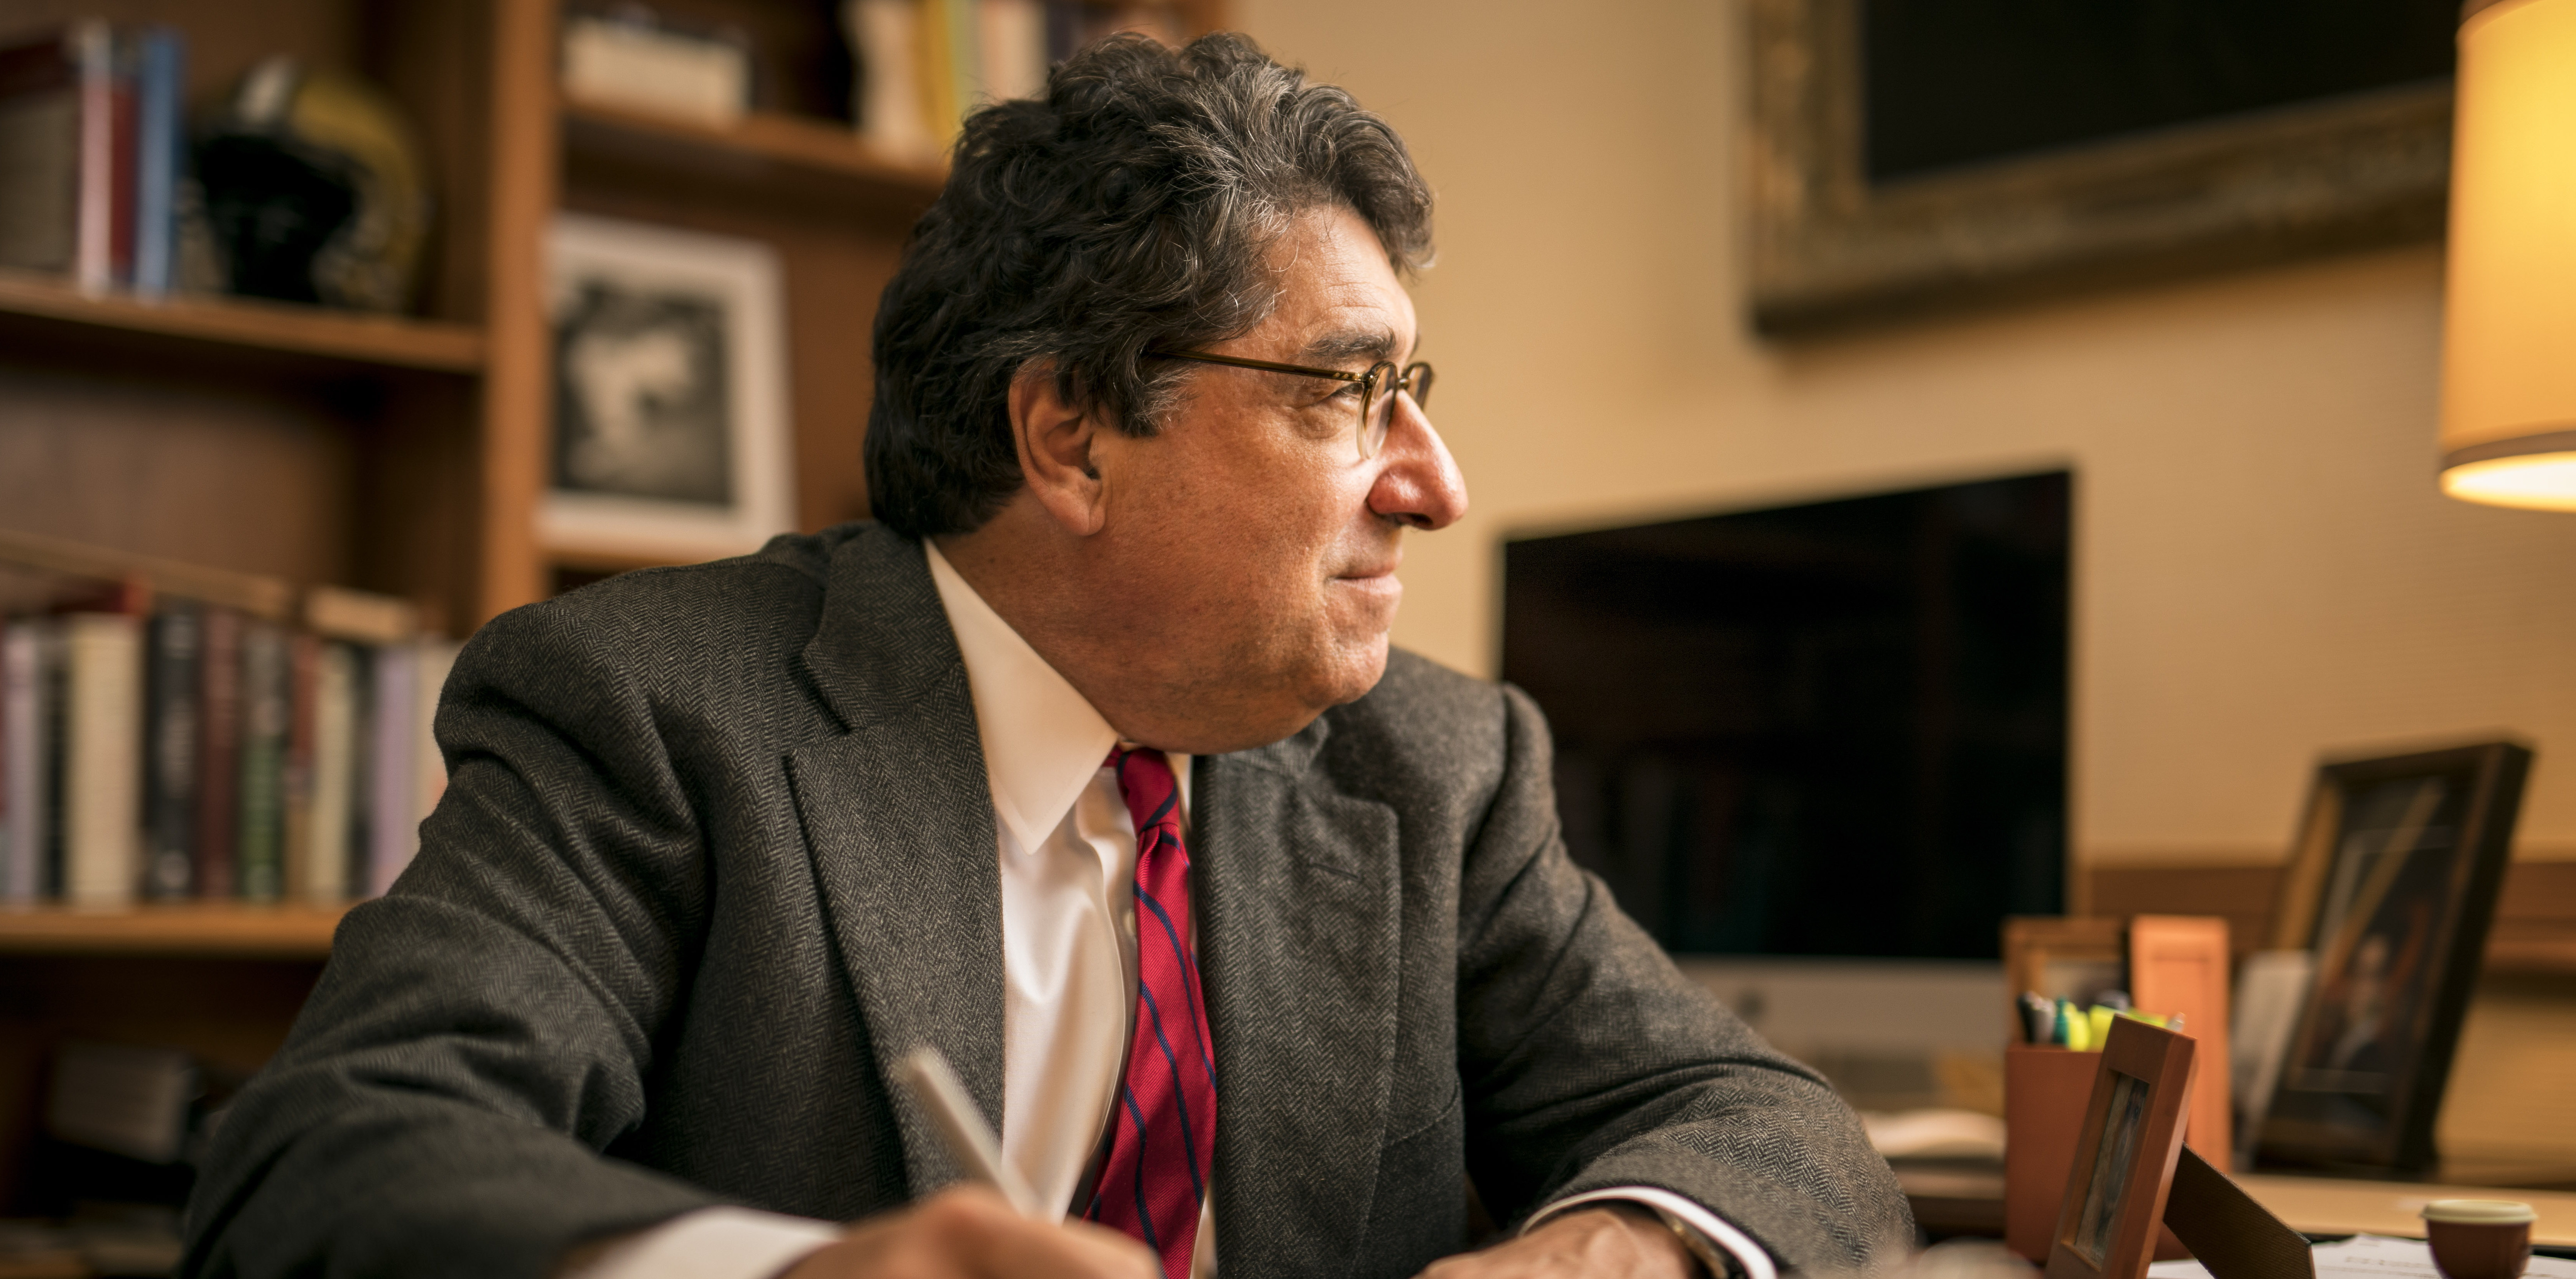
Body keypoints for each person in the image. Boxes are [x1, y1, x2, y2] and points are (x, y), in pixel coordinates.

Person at [183, 33, 1910, 1279]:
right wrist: (800, 1276)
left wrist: (1612, 1249)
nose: (1435, 484)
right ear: (1072, 437)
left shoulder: (1439, 771)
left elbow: (1765, 1121)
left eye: (1416, 395)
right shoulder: (654, 712)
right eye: (1348, 393)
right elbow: (321, 1165)